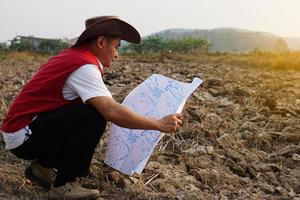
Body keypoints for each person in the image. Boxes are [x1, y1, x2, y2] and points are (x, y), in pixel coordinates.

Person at [1, 16, 183, 199]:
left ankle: (42, 168)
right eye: (117, 46)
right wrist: (157, 123)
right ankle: (63, 185)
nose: (117, 54)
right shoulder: (84, 66)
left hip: (26, 129)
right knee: (94, 115)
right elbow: (110, 110)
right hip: (23, 136)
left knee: (85, 110)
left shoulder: (76, 56)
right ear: (101, 42)